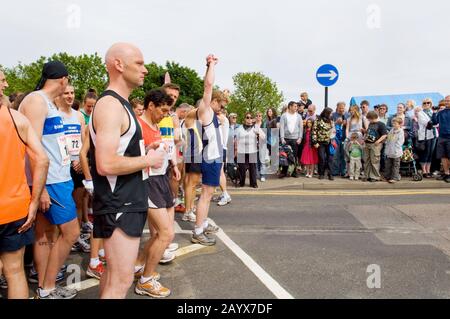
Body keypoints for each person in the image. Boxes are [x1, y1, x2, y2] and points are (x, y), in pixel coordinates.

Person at [88, 43, 165, 299]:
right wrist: (148, 160)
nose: (145, 69)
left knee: (112, 278)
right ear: (119, 65)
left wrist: (145, 150)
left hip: (123, 200)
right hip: (120, 202)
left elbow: (119, 150)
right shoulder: (110, 105)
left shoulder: (119, 104)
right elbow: (106, 163)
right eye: (139, 63)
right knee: (120, 283)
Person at [19, 61, 80, 299]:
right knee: (71, 233)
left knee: (45, 235)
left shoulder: (49, 104)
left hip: (57, 177)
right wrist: (40, 188)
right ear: (63, 79)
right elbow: (31, 149)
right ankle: (47, 287)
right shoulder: (36, 101)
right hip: (50, 181)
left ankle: (46, 287)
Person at [1, 71, 49, 299]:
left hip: (13, 209)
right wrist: (33, 201)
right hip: (13, 208)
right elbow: (42, 159)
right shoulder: (17, 119)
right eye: (1, 80)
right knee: (14, 271)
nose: (6, 83)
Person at [134, 88, 179, 298]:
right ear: (150, 105)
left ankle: (139, 265)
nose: (165, 114)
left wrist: (173, 164)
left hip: (160, 178)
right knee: (166, 234)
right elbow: (126, 156)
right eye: (162, 110)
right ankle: (145, 281)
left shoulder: (156, 124)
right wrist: (147, 150)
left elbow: (163, 149)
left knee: (159, 234)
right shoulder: (138, 126)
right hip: (147, 181)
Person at [192, 54, 228, 246]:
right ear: (212, 101)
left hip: (214, 158)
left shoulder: (214, 114)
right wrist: (211, 65)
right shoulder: (205, 111)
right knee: (206, 195)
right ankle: (198, 230)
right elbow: (207, 86)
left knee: (208, 194)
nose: (222, 108)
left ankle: (202, 223)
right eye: (220, 105)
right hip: (210, 159)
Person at [55, 85, 91, 253]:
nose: (69, 96)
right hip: (62, 166)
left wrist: (81, 160)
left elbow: (84, 140)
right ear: (59, 95)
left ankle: (75, 238)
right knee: (62, 206)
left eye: (72, 93)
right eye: (66, 93)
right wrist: (70, 160)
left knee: (77, 202)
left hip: (78, 165)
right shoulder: (56, 115)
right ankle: (60, 240)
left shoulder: (78, 116)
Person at [235, 112, 266, 188]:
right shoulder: (239, 128)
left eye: (250, 117)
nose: (249, 119)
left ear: (253, 119)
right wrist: (235, 150)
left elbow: (264, 137)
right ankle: (241, 182)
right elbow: (236, 139)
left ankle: (253, 183)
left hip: (252, 151)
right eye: (247, 117)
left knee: (253, 168)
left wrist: (258, 133)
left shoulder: (256, 127)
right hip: (241, 151)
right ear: (244, 119)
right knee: (241, 168)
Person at [279, 101, 303, 178]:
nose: (296, 108)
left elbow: (301, 128)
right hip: (285, 138)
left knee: (294, 156)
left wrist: (300, 138)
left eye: (296, 106)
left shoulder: (299, 116)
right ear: (290, 107)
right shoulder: (284, 116)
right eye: (295, 106)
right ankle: (284, 172)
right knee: (284, 156)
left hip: (295, 139)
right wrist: (282, 138)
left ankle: (294, 172)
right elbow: (282, 127)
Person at [363, 111, 388, 182]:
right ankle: (367, 175)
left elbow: (384, 134)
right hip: (367, 144)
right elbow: (369, 132)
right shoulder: (371, 124)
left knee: (375, 161)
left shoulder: (381, 124)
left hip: (375, 145)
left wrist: (379, 141)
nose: (368, 120)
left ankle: (375, 176)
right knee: (367, 160)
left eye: (369, 119)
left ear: (373, 117)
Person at [417, 99, 438, 178]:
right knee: (425, 153)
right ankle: (424, 171)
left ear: (431, 104)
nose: (426, 104)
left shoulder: (433, 112)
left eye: (428, 103)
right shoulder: (420, 113)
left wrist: (433, 122)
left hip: (434, 135)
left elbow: (436, 123)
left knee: (430, 154)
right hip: (425, 136)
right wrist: (433, 122)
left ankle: (428, 170)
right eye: (424, 103)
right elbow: (427, 124)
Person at [312, 108, 334, 180]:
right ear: (326, 113)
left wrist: (333, 140)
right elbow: (314, 130)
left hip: (329, 142)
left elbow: (333, 131)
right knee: (322, 158)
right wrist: (314, 142)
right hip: (320, 142)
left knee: (330, 158)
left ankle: (330, 174)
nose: (331, 115)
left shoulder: (331, 120)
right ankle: (321, 173)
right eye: (330, 113)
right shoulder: (318, 120)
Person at [432, 99, 450, 182]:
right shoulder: (441, 112)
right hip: (442, 137)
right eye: (446, 101)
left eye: (449, 101)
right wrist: (434, 112)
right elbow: (434, 122)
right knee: (443, 156)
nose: (447, 102)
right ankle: (447, 174)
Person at [384, 117, 405, 183]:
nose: (394, 125)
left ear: (400, 124)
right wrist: (387, 145)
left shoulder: (401, 131)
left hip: (396, 152)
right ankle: (388, 177)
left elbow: (400, 142)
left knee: (395, 166)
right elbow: (388, 139)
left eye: (395, 123)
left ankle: (395, 178)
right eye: (393, 123)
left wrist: (395, 149)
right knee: (388, 165)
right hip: (389, 152)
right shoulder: (391, 130)